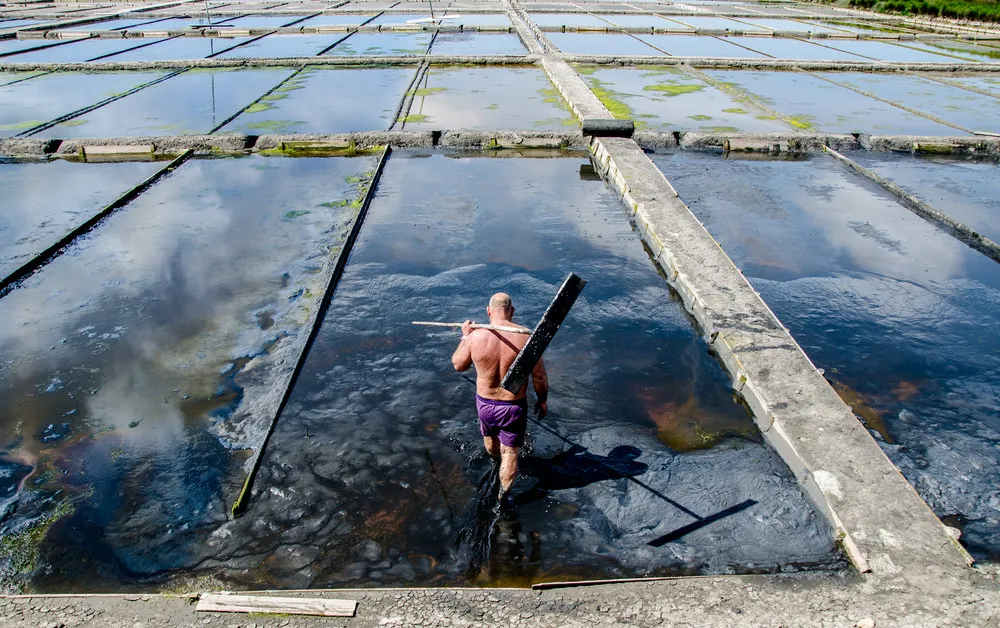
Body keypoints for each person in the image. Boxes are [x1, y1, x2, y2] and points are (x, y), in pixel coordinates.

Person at [451, 293, 548, 505]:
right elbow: (539, 376)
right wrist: (542, 400)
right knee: (511, 452)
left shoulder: (476, 336)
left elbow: (458, 365)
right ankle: (503, 499)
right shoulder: (526, 337)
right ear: (512, 311)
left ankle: (495, 461)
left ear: (488, 311)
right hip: (512, 406)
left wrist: (465, 336)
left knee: (490, 439)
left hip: (485, 403)